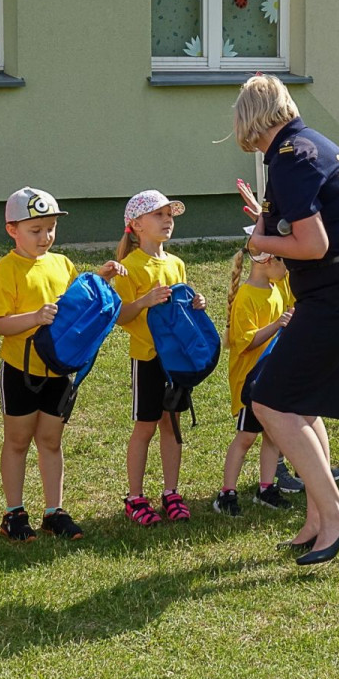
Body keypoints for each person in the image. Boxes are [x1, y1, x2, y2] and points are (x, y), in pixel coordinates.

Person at [234, 74, 339, 565]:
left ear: (251, 118)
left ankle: (337, 515)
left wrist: (259, 242)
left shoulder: (290, 160)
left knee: (271, 401)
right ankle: (319, 519)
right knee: (302, 405)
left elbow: (312, 245)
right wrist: (270, 218)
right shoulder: (311, 144)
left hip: (336, 294)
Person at [0, 187, 125, 541]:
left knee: (51, 440)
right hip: (21, 369)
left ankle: (53, 511)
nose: (45, 237)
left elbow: (77, 304)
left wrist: (101, 279)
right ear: (12, 230)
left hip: (58, 369)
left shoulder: (62, 263)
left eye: (50, 229)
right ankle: (13, 513)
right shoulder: (6, 269)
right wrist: (34, 317)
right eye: (35, 230)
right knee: (17, 441)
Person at [113, 190, 206, 526]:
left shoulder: (176, 263)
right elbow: (120, 316)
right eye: (158, 215)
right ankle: (135, 497)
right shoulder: (129, 268)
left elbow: (179, 311)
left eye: (170, 215)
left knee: (173, 424)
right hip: (148, 357)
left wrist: (196, 305)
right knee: (146, 426)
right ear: (136, 225)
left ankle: (171, 492)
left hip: (175, 359)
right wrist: (144, 301)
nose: (167, 221)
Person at [216, 229, 293, 517]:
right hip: (251, 382)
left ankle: (266, 488)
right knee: (246, 437)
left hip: (272, 377)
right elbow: (244, 341)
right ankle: (227, 493)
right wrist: (278, 325)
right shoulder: (246, 295)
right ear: (267, 261)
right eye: (284, 261)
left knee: (273, 435)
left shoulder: (276, 289)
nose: (288, 268)